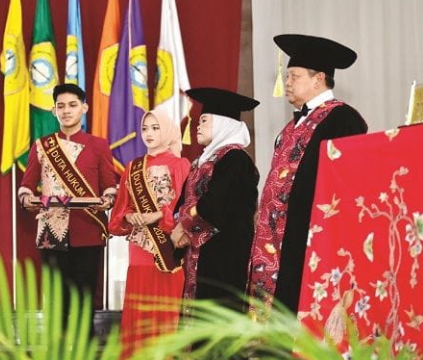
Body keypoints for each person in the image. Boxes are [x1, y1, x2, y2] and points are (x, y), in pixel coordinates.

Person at [248, 34, 368, 318]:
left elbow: (346, 181)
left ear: (318, 79)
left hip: (308, 233)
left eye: (294, 76)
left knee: (297, 305)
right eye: (287, 76)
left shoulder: (343, 119)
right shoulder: (291, 125)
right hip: (275, 235)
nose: (287, 82)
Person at [18, 83, 117, 332]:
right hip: (52, 229)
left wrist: (108, 198)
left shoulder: (99, 145)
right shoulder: (42, 145)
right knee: (56, 299)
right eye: (60, 106)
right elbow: (26, 185)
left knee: (85, 298)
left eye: (72, 105)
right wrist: (26, 198)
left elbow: (109, 185)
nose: (66, 111)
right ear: (53, 111)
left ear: (84, 108)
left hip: (87, 229)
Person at [109, 108, 190, 358]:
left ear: (166, 130)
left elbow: (187, 208)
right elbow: (120, 212)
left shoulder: (180, 165)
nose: (149, 133)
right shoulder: (132, 168)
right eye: (145, 128)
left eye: (155, 128)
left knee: (166, 305)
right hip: (139, 249)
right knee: (140, 305)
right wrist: (130, 216)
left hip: (168, 248)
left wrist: (159, 214)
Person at [171, 87, 260, 314]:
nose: (197, 125)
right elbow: (183, 202)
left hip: (223, 255)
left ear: (223, 124)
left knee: (218, 318)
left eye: (204, 120)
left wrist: (184, 227)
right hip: (198, 253)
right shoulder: (199, 162)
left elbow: (217, 205)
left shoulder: (236, 160)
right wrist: (178, 226)